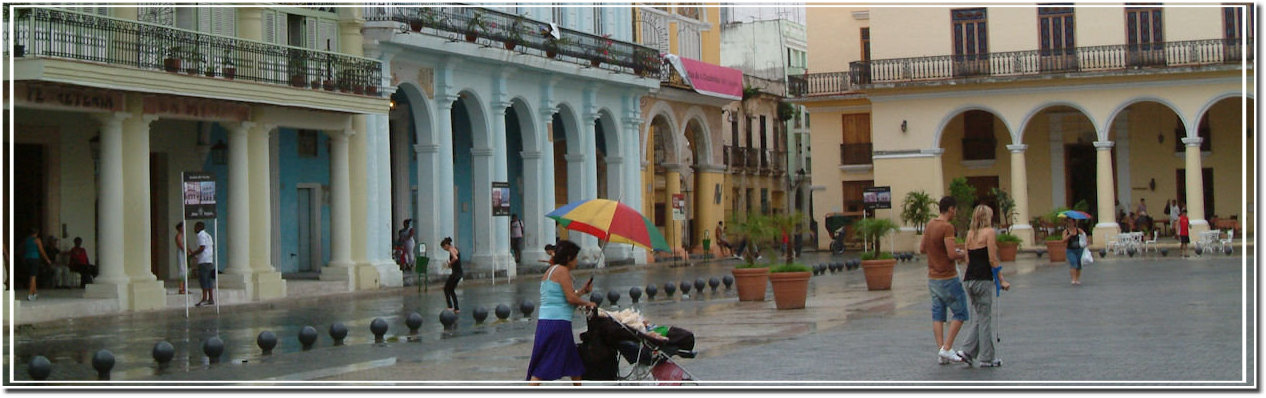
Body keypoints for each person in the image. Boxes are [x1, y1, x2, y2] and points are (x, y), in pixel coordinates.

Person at [526, 240, 596, 385]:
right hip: (557, 324)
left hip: (548, 323)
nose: (577, 261)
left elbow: (563, 296)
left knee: (574, 365)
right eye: (576, 257)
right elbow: (570, 298)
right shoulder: (562, 271)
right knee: (544, 366)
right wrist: (588, 303)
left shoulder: (551, 270)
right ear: (569, 257)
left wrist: (583, 291)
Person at [956, 205, 1011, 368]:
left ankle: (967, 351)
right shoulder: (989, 232)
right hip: (983, 279)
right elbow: (992, 259)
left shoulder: (969, 234)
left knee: (980, 316)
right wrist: (1001, 280)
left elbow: (967, 259)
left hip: (969, 278)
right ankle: (986, 357)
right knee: (985, 318)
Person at [919, 196, 969, 364]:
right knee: (961, 312)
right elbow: (951, 254)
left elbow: (921, 248)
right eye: (954, 210)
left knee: (938, 314)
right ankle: (947, 347)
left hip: (932, 277)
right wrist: (963, 253)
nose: (955, 212)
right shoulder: (947, 227)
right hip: (948, 277)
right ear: (950, 209)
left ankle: (941, 351)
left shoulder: (930, 225)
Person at [20, 227, 53, 301]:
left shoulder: (26, 240)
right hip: (34, 258)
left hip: (27, 258)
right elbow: (42, 251)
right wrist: (47, 259)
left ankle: (34, 293)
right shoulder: (37, 240)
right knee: (33, 276)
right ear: (36, 233)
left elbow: (22, 249)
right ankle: (30, 293)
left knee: (32, 275)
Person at [189, 221, 216, 306]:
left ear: (198, 228)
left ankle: (204, 299)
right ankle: (211, 298)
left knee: (203, 280)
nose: (194, 229)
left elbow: (202, 247)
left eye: (195, 227)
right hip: (209, 260)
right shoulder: (208, 236)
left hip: (203, 260)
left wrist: (193, 254)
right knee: (209, 280)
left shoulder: (201, 235)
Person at [1061, 216, 1087, 285]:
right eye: (1068, 222)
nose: (1070, 224)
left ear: (1074, 222)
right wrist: (1070, 235)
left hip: (1079, 249)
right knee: (1073, 263)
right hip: (1070, 250)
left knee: (1078, 264)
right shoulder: (1066, 231)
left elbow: (1084, 236)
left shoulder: (1079, 230)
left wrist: (1084, 242)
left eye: (1071, 222)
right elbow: (1063, 240)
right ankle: (1073, 279)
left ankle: (1077, 279)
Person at [441, 237, 463, 313]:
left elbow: (455, 258)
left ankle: (450, 306)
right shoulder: (455, 248)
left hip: (456, 273)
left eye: (444, 248)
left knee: (446, 289)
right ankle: (456, 308)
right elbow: (457, 261)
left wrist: (449, 263)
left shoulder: (451, 249)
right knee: (451, 289)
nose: (445, 249)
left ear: (446, 245)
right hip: (459, 273)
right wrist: (450, 265)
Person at [174, 222, 188, 294]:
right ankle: (181, 288)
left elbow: (187, 245)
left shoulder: (184, 236)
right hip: (181, 254)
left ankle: (185, 288)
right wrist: (186, 251)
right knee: (182, 270)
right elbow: (180, 245)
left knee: (186, 271)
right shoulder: (178, 236)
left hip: (185, 253)